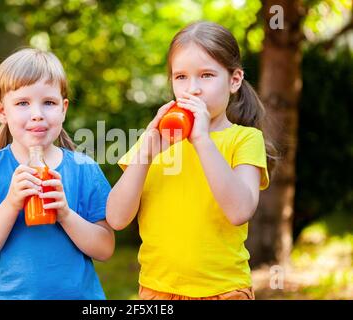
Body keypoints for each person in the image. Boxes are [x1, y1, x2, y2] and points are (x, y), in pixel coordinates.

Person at [106, 21, 277, 300]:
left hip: (224, 291)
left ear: (234, 80)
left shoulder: (244, 140)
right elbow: (116, 218)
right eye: (181, 77)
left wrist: (201, 140)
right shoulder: (154, 142)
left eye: (207, 75)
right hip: (157, 291)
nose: (192, 89)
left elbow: (240, 210)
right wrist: (146, 155)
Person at [0, 48, 114, 300]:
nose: (37, 114)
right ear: (1, 111)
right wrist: (10, 204)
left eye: (49, 103)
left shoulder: (84, 170)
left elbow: (105, 248)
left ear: (63, 109)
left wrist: (65, 214)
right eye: (22, 103)